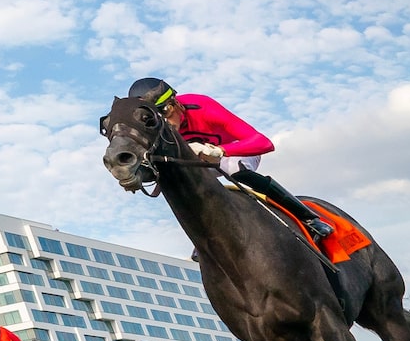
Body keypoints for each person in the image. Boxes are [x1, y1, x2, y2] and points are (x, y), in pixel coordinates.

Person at [128, 77, 333, 240]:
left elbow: (264, 143)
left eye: (165, 112)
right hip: (200, 164)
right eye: (156, 119)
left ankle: (307, 217)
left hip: (235, 152)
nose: (166, 124)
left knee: (232, 167)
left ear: (175, 102)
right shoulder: (160, 131)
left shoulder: (203, 107)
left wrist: (219, 151)